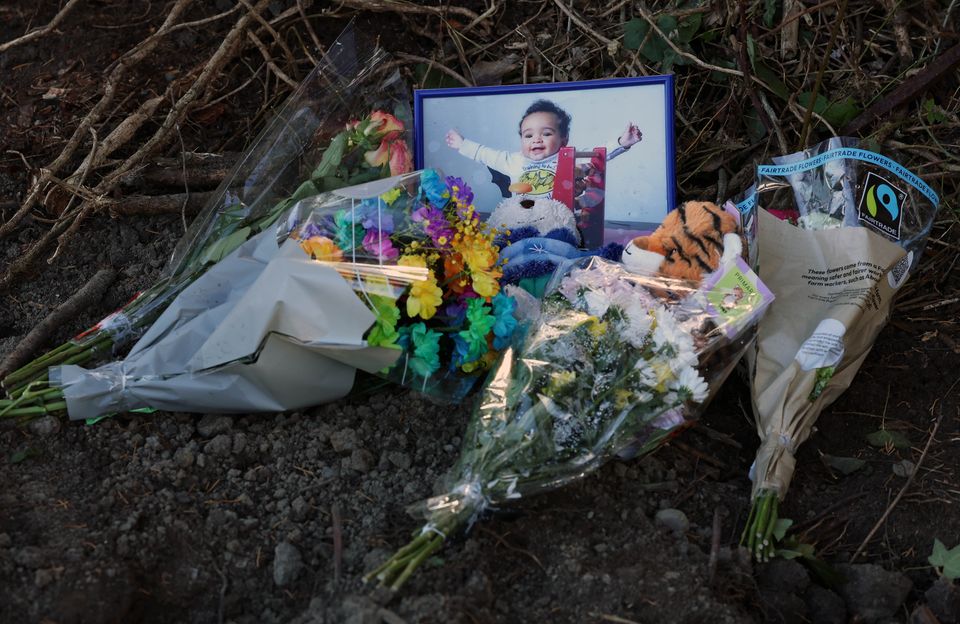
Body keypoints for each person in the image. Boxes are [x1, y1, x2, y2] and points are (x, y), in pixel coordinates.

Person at [444, 99, 641, 199]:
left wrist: (621, 142)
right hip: (520, 221)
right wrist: (463, 144)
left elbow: (599, 154)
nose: (536, 139)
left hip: (556, 221)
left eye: (546, 134)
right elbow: (484, 154)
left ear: (564, 139)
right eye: (528, 135)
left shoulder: (567, 159)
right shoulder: (513, 161)